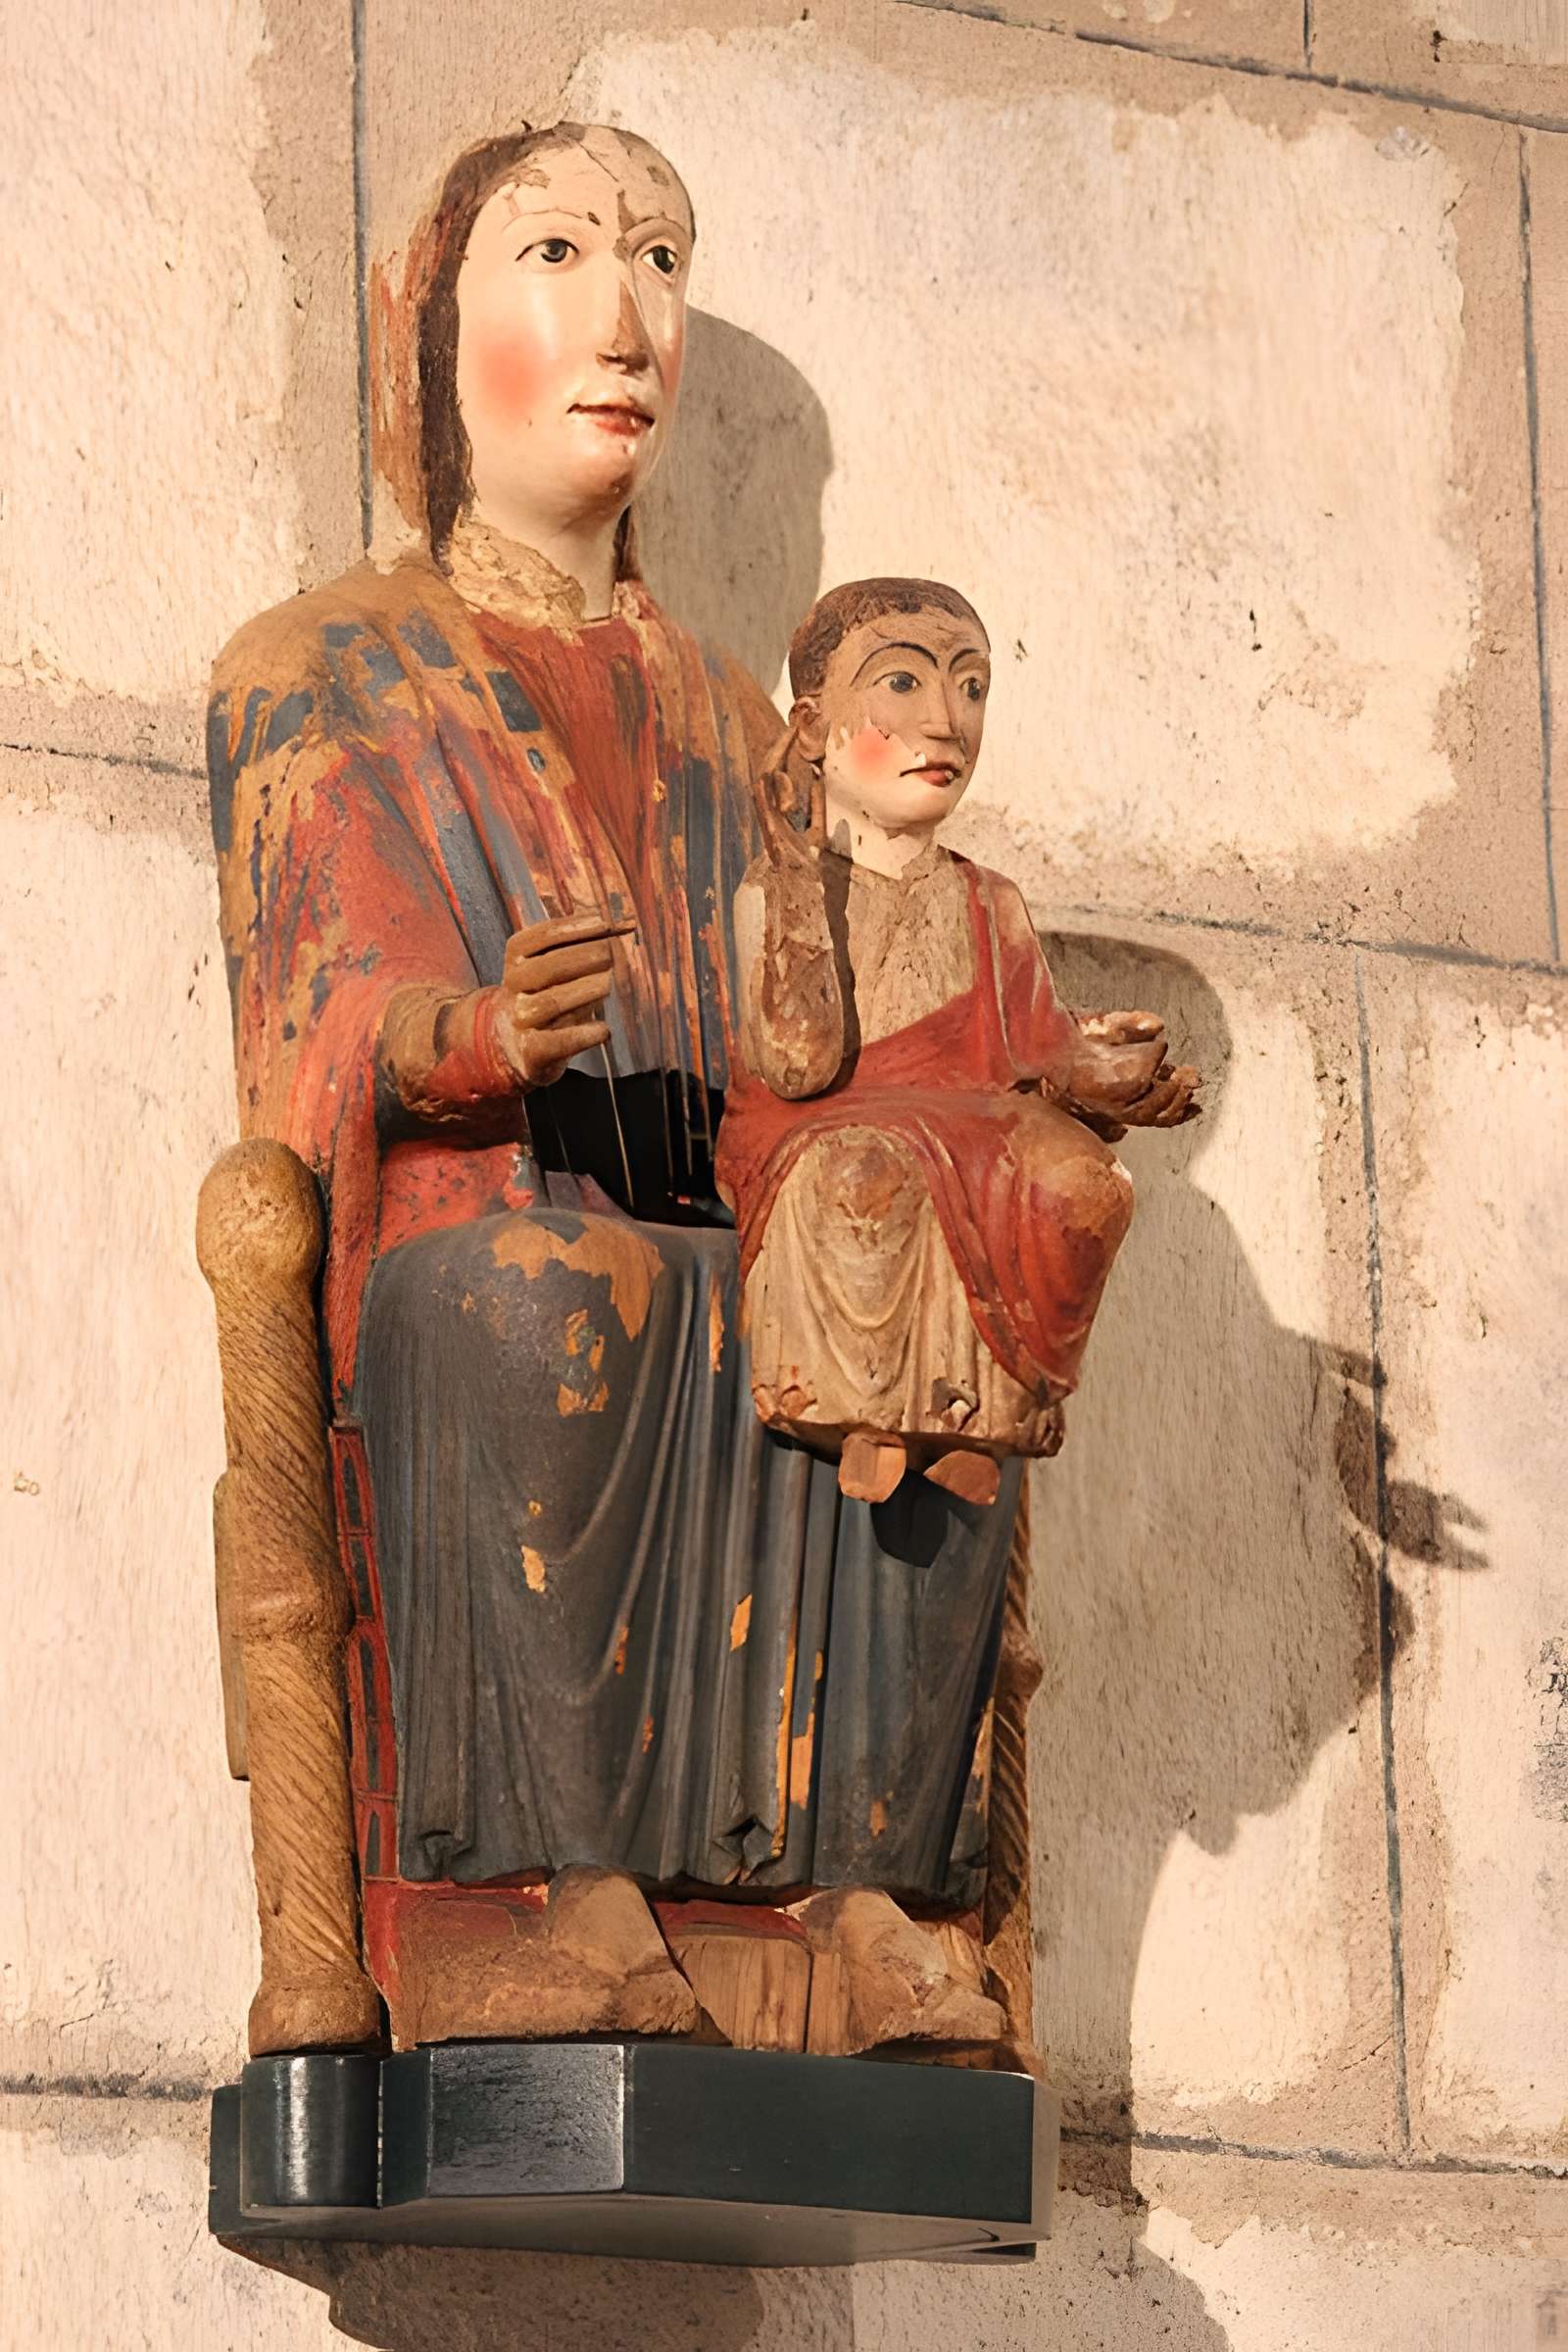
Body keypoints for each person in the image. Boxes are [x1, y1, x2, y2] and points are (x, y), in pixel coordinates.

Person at [208, 128, 1024, 2049]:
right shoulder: (321, 666)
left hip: (708, 1200)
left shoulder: (730, 711)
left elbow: (803, 1025)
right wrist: (467, 1036)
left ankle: (876, 1896)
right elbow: (310, 1001)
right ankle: (570, 1902)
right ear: (435, 328)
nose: (625, 314)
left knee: (938, 1362)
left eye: (661, 258)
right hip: (466, 1225)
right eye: (557, 251)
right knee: (548, 1295)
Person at [717, 577, 1200, 1508]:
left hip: (976, 1125)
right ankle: (851, 1402)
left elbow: (1041, 1056)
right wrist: (791, 873)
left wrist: (1110, 1076)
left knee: (1084, 1183)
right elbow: (797, 1063)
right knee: (860, 1175)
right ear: (812, 728)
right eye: (903, 685)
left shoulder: (990, 901)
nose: (947, 724)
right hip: (826, 1128)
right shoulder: (775, 892)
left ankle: (986, 1414)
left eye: (972, 688)